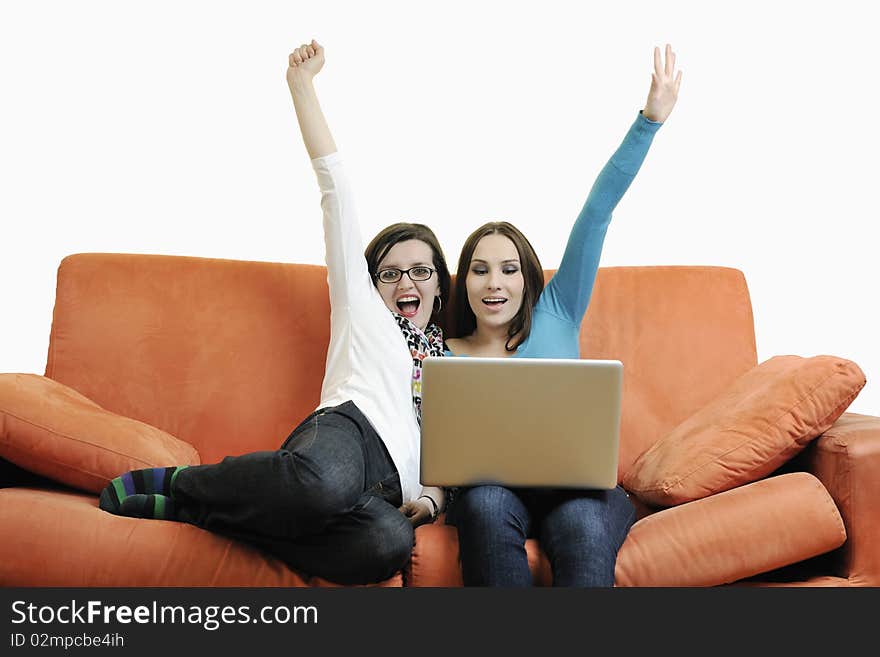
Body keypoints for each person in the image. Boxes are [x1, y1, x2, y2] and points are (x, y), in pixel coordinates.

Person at [97, 40, 450, 585]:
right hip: (347, 433)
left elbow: (452, 458)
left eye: (422, 271)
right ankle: (186, 483)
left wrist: (429, 499)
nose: (407, 281)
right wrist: (302, 87)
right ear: (371, 282)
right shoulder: (366, 312)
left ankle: (197, 516)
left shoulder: (453, 363)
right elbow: (338, 189)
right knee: (323, 485)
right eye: (391, 272)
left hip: (390, 492)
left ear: (439, 286)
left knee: (386, 545)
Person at [443, 44, 682, 586]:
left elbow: (596, 211)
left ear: (530, 279)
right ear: (465, 282)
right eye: (479, 270)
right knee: (481, 504)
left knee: (581, 527)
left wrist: (649, 122)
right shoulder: (445, 355)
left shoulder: (559, 308)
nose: (494, 283)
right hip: (492, 494)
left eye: (508, 269)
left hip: (578, 491)